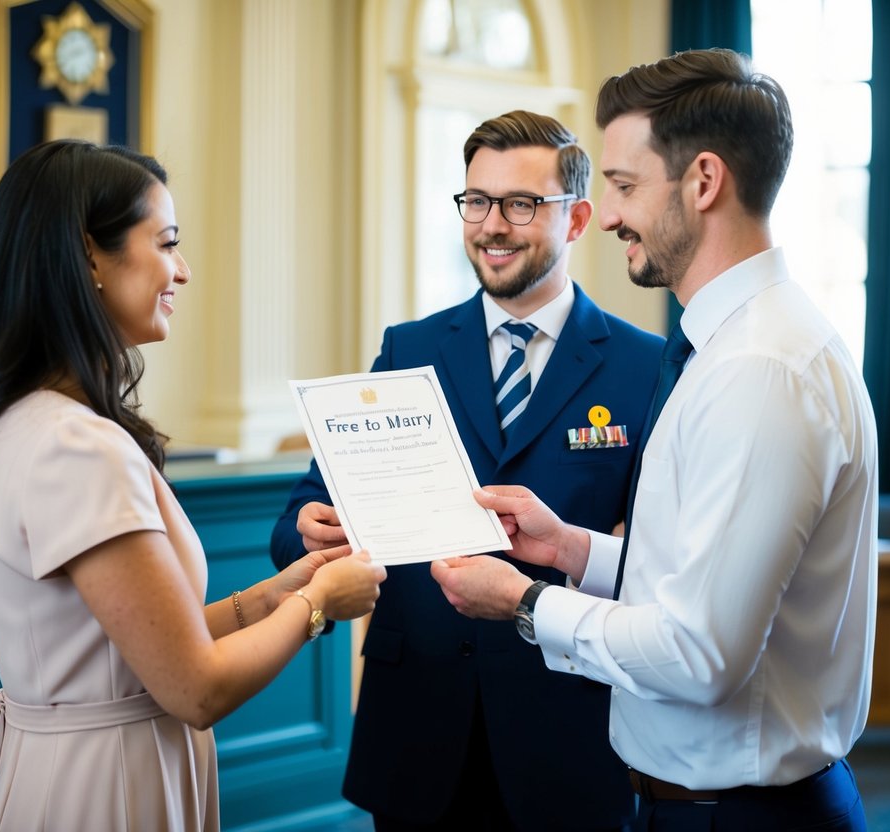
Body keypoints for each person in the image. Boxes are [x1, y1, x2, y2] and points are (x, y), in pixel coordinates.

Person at [430, 49, 877, 832]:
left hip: (739, 817)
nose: (603, 217)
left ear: (702, 182)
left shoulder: (759, 371)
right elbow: (700, 578)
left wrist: (526, 603)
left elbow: (698, 654)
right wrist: (572, 549)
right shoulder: (728, 349)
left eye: (624, 186)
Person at [0, 139, 386, 831]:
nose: (183, 271)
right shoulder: (77, 446)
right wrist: (318, 603)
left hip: (68, 758)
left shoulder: (30, 420)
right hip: (102, 788)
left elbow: (138, 650)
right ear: (89, 258)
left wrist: (272, 597)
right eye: (166, 243)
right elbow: (196, 688)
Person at [270, 111, 663, 831]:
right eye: (476, 201)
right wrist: (309, 527)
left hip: (569, 729)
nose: (491, 226)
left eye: (519, 204)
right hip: (416, 724)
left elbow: (658, 557)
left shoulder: (645, 364)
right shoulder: (409, 348)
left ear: (576, 219)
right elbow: (302, 510)